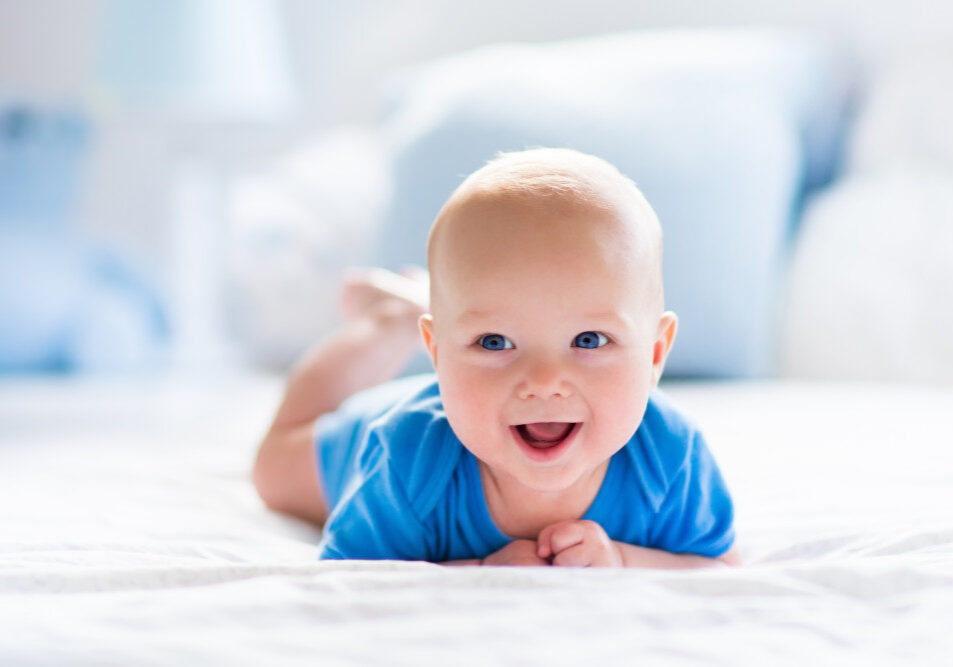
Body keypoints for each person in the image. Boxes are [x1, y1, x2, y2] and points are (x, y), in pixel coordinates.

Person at [253, 148, 741, 567]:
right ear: (438, 353)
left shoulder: (669, 457)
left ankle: (434, 308)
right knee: (272, 470)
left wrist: (621, 558)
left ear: (655, 353)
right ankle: (392, 321)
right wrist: (479, 568)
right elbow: (351, 580)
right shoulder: (407, 459)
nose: (545, 381)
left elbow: (716, 564)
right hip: (358, 437)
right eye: (494, 342)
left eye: (589, 340)